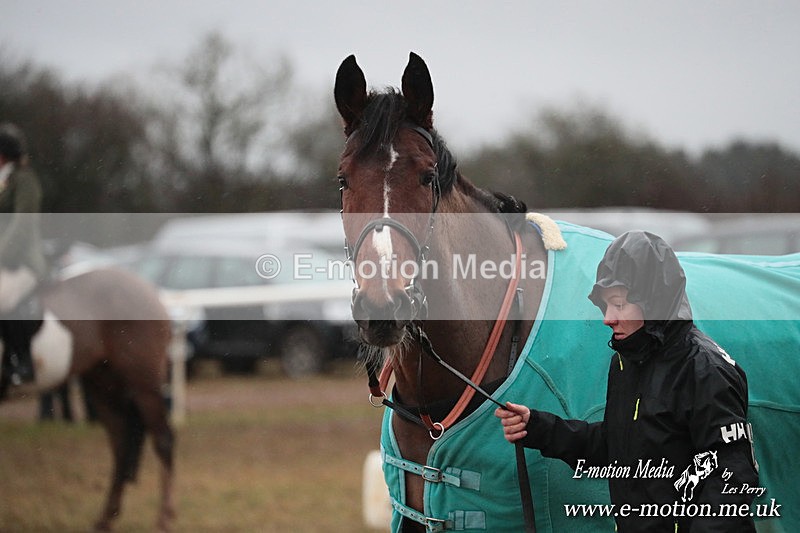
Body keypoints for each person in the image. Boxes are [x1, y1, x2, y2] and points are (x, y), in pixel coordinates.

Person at [496, 230, 759, 532]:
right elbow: (615, 448)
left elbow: (732, 480)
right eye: (605, 305)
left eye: (619, 304)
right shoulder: (626, 362)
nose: (608, 318)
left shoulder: (705, 369)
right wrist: (539, 428)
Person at [0, 122, 46, 385]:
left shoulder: (24, 181)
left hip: (22, 262)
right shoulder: (4, 181)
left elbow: (23, 224)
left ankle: (21, 360)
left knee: (3, 298)